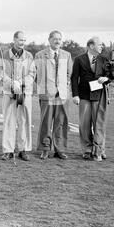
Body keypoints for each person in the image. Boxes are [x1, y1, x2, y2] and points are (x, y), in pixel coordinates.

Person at [71, 36, 114, 162]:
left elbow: (112, 75)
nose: (102, 47)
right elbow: (74, 78)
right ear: (91, 46)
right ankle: (87, 150)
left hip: (99, 96)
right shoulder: (79, 59)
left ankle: (99, 150)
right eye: (99, 45)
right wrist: (75, 95)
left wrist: (106, 79)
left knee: (99, 125)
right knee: (84, 125)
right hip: (84, 95)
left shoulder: (104, 59)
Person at [35, 30, 73, 160]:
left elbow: (69, 73)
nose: (57, 41)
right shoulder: (40, 55)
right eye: (55, 39)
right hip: (46, 94)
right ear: (49, 40)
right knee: (46, 123)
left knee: (60, 122)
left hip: (61, 95)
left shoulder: (67, 55)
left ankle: (59, 149)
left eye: (59, 39)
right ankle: (45, 148)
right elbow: (36, 76)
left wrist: (64, 85)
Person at [1, 31, 36, 162]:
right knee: (9, 121)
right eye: (20, 40)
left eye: (24, 41)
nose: (22, 43)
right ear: (14, 39)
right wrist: (12, 83)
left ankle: (23, 149)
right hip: (9, 93)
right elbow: (2, 73)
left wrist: (20, 83)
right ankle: (8, 150)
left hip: (25, 93)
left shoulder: (29, 56)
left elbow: (32, 74)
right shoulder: (5, 54)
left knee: (24, 120)